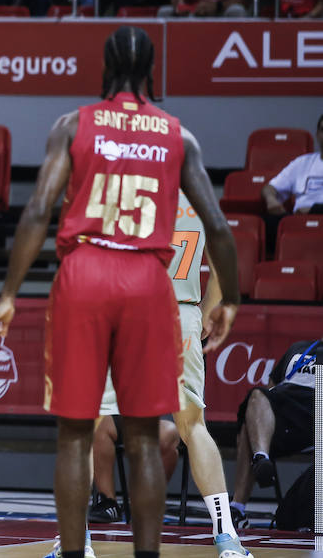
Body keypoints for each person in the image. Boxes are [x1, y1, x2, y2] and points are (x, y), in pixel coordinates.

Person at [0, 26, 240, 558]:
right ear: (152, 73)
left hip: (87, 271)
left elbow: (36, 211)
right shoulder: (177, 134)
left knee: (76, 433)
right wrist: (232, 299)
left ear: (103, 69)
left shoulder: (73, 124)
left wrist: (9, 292)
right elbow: (218, 227)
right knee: (145, 436)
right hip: (150, 281)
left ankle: (75, 552)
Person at [84, 193, 252, 558]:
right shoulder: (199, 197)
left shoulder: (121, 187)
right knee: (194, 427)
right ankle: (228, 539)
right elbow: (226, 258)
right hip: (181, 317)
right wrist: (207, 308)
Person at [231, 337, 319, 519]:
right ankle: (261, 459)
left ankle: (237, 506)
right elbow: (272, 386)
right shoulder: (299, 347)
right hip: (283, 411)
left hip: (314, 413)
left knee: (250, 429)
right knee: (256, 396)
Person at [264, 114, 323, 218]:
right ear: (317, 134)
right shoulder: (302, 163)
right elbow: (270, 188)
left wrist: (314, 210)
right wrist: (271, 199)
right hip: (300, 222)